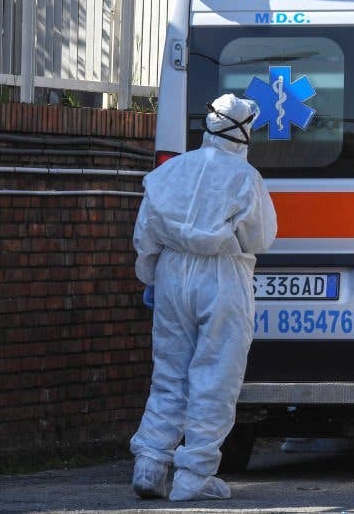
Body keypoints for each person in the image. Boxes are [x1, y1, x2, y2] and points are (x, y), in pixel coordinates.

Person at [129, 93, 277, 502]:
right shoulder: (245, 178)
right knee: (216, 374)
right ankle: (193, 474)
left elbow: (145, 236)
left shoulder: (169, 172)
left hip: (172, 272)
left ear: (208, 125)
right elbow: (260, 237)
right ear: (245, 132)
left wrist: (152, 278)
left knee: (170, 371)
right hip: (223, 275)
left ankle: (151, 461)